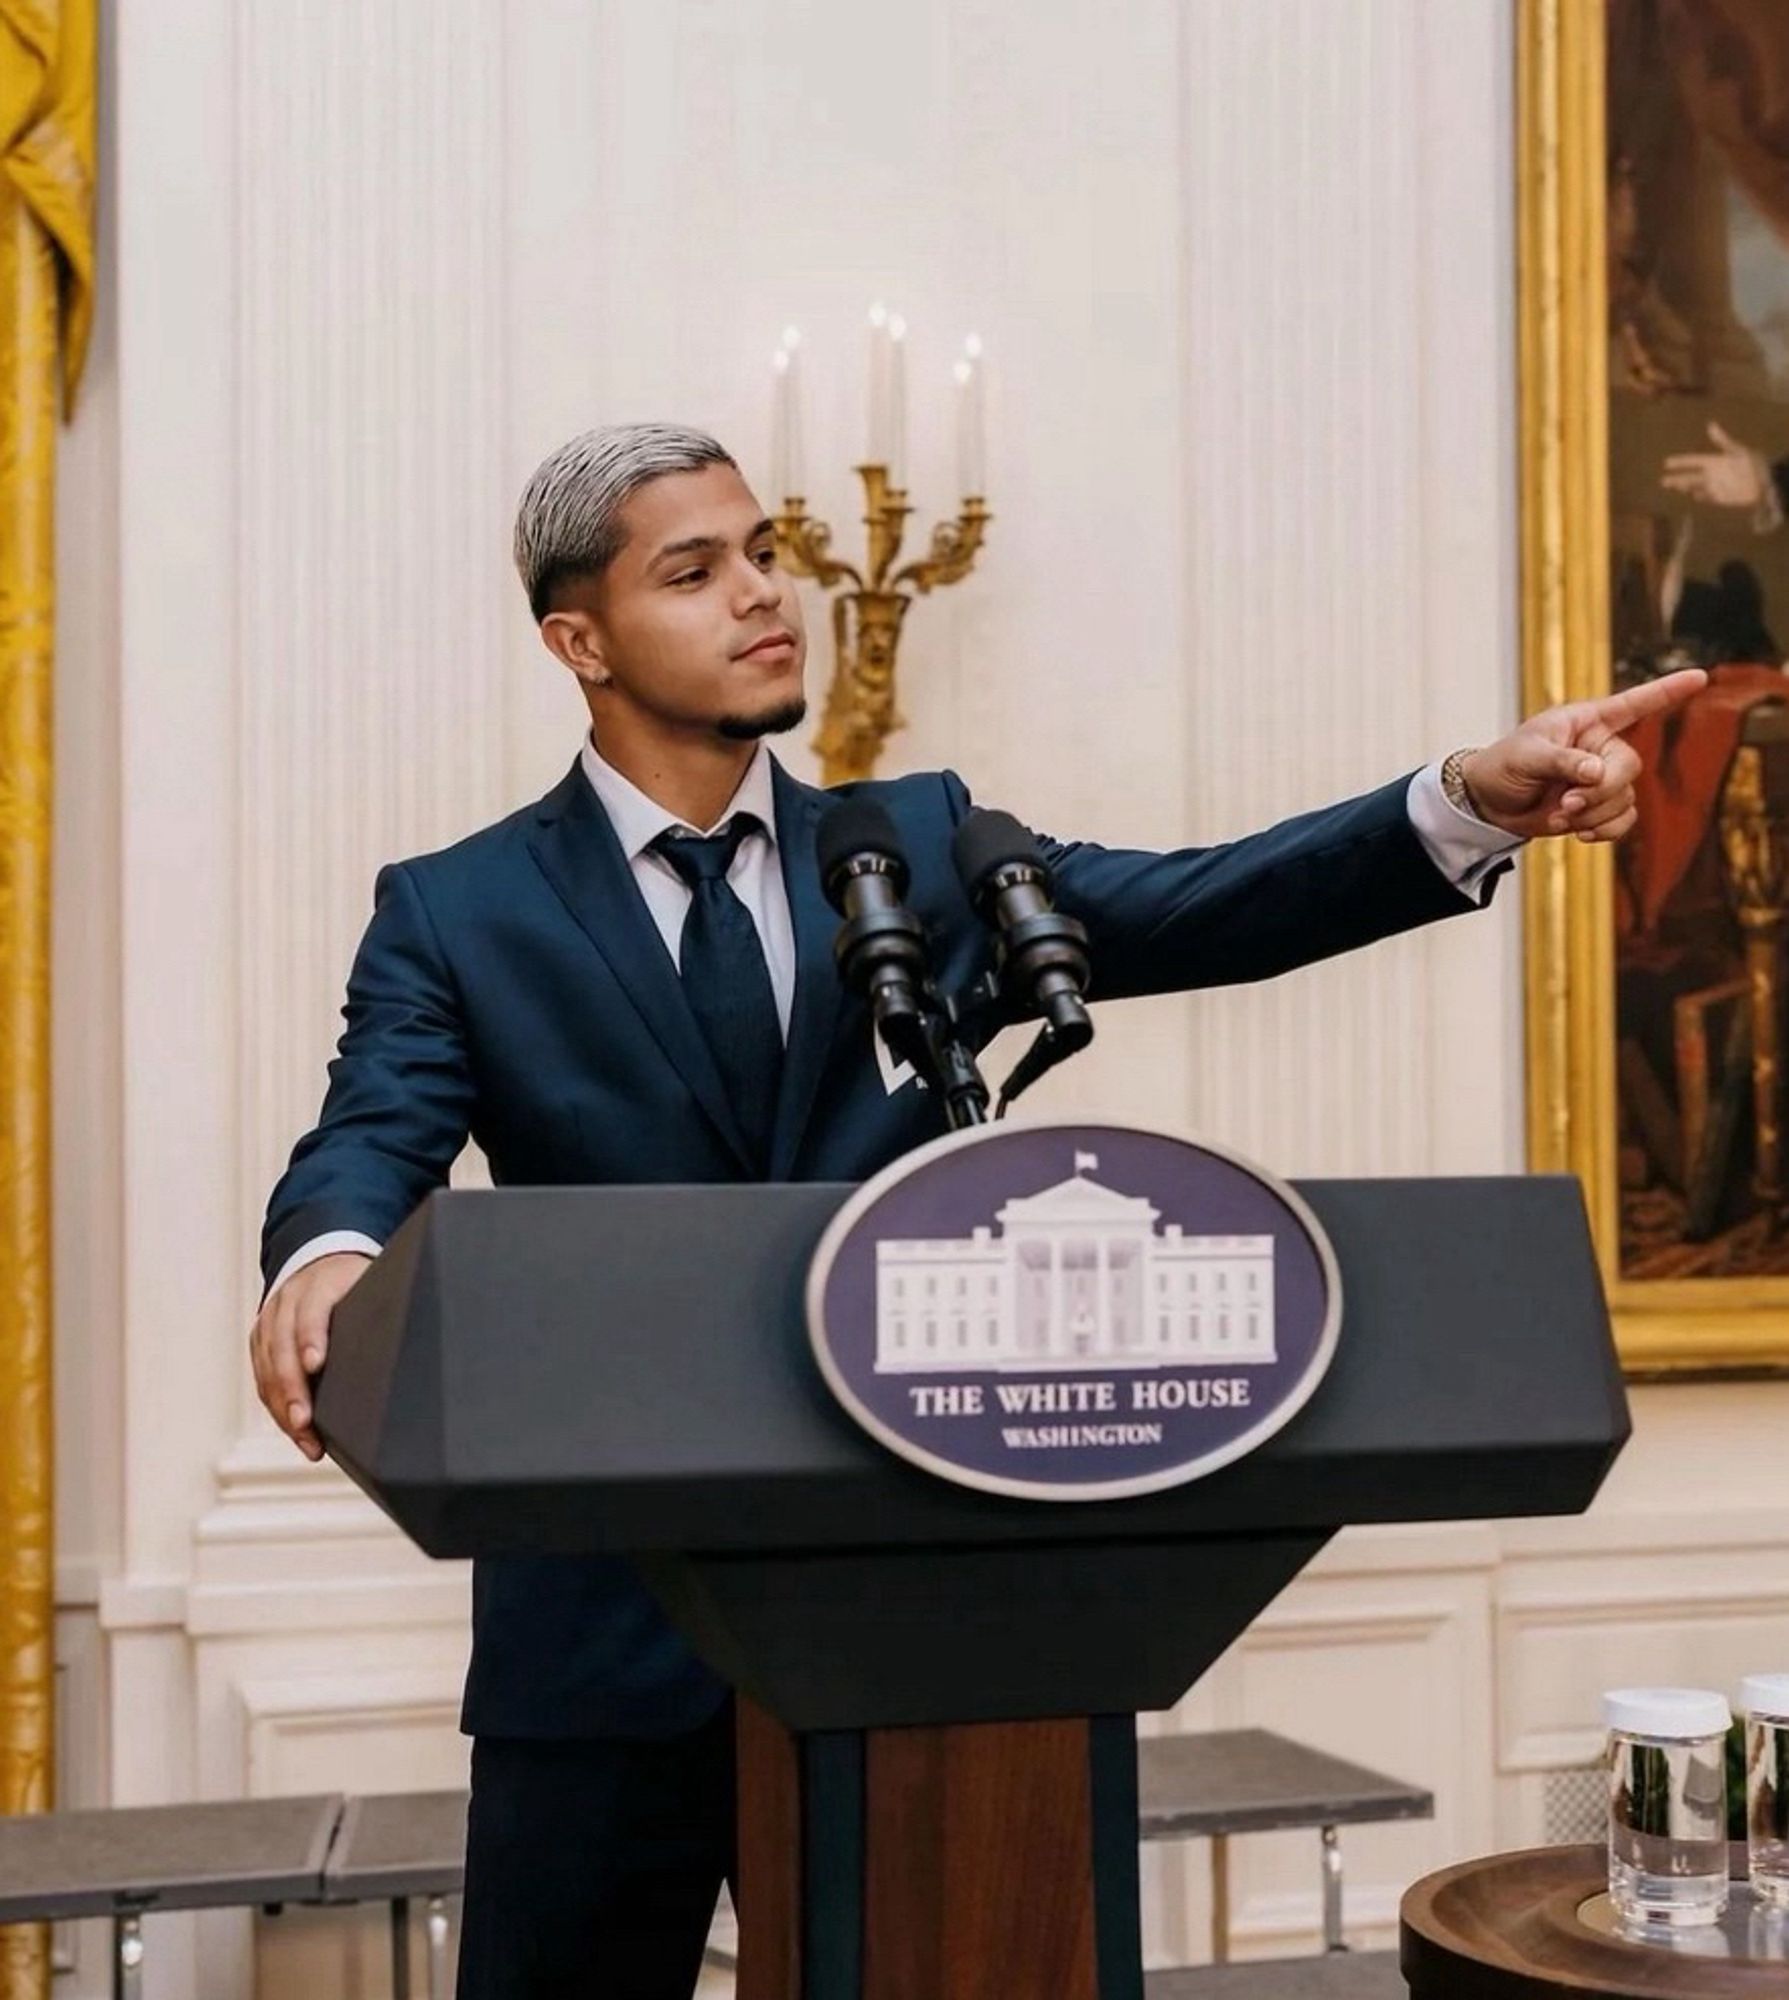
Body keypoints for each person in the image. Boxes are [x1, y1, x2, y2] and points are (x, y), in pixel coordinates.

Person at [251, 423, 1702, 2000]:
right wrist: (326, 1258)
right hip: (605, 1639)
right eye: (694, 570)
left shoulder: (915, 850)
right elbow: (373, 1125)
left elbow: (1215, 901)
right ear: (577, 640)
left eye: (761, 554)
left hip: (924, 1618)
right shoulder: (462, 908)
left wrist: (1466, 797)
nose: (759, 594)